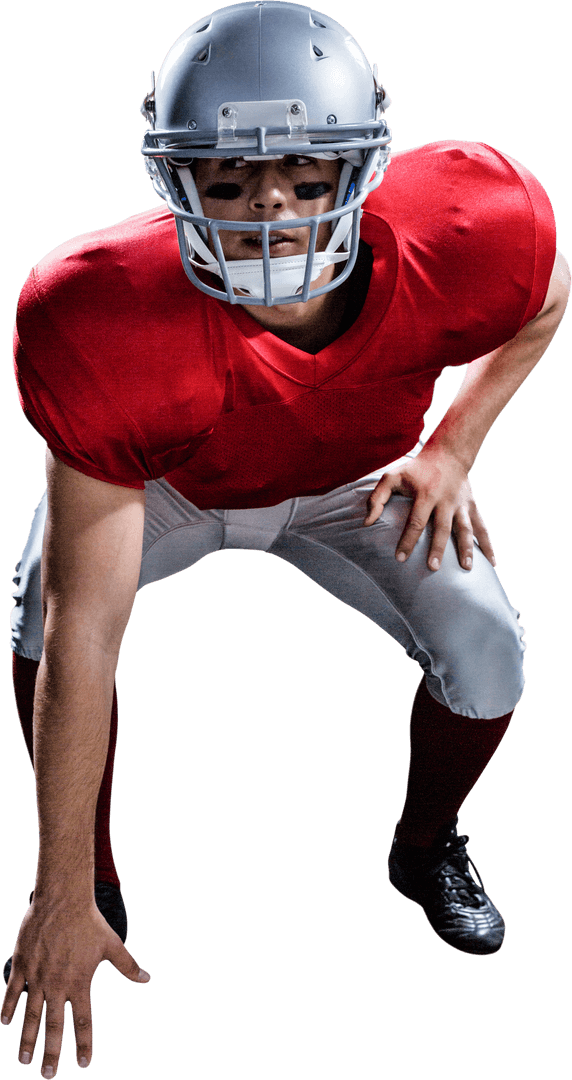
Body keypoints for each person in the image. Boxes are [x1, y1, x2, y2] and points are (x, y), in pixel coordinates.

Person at [1, 1, 569, 1074]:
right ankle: (97, 872)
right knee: (41, 608)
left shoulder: (465, 228)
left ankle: (422, 848)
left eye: (306, 177)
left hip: (350, 483)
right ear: (173, 178)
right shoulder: (97, 313)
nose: (269, 208)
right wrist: (58, 887)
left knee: (489, 650)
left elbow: (545, 294)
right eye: (227, 180)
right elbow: (86, 636)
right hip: (162, 486)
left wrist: (451, 447)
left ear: (365, 167)